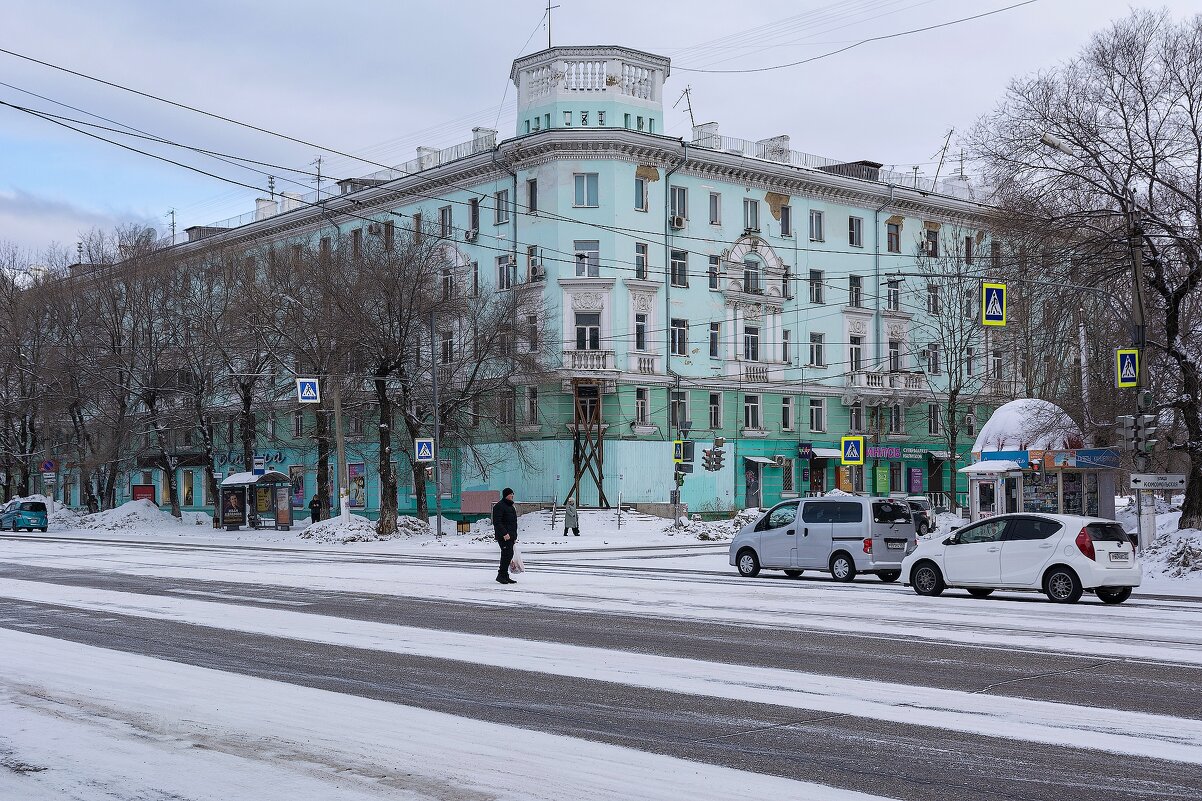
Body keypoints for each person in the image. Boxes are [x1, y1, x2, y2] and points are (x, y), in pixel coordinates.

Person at [492, 487, 518, 584]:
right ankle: (501, 575)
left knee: (509, 554)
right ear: (506, 495)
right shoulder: (499, 506)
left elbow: (513, 523)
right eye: (511, 494)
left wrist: (514, 536)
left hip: (510, 536)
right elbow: (497, 522)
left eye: (512, 494)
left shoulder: (510, 507)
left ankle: (505, 575)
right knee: (506, 555)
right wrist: (504, 533)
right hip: (503, 536)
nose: (512, 496)